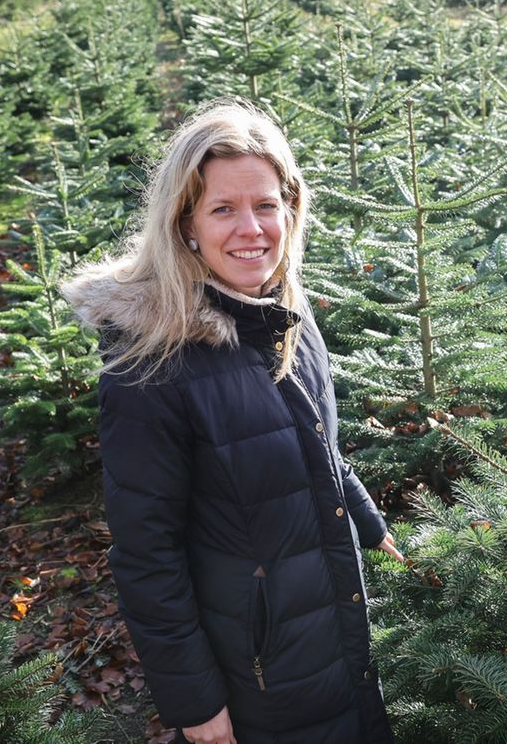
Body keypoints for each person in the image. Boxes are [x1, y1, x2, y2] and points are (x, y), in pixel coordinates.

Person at [62, 99, 398, 744]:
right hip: (261, 671)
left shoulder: (282, 314)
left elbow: (316, 448)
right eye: (223, 209)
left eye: (266, 204)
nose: (252, 228)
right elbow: (146, 554)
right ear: (185, 223)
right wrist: (196, 705)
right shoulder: (151, 363)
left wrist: (369, 522)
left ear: (290, 209)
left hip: (330, 625)